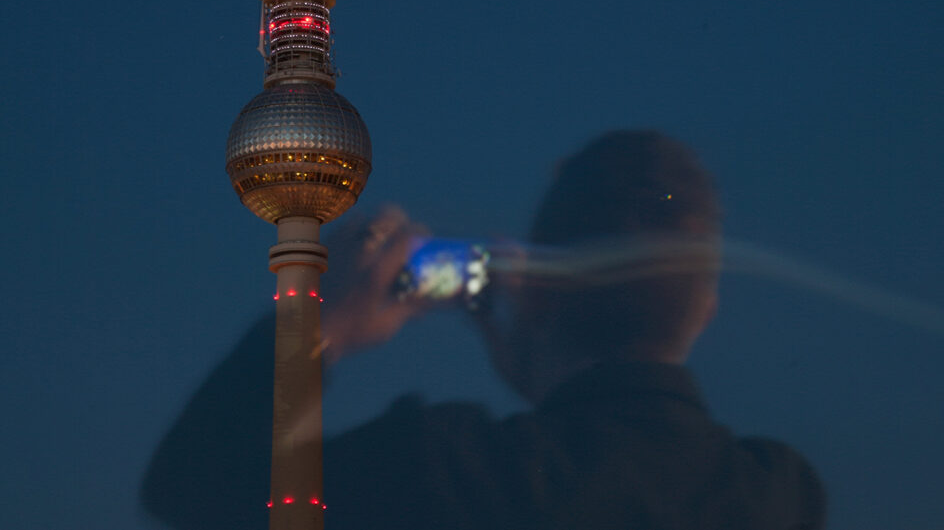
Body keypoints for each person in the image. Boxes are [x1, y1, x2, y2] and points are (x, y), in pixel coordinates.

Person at [141, 130, 825, 530]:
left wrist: (325, 318)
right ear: (705, 308)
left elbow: (194, 490)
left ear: (538, 298)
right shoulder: (782, 493)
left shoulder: (446, 470)